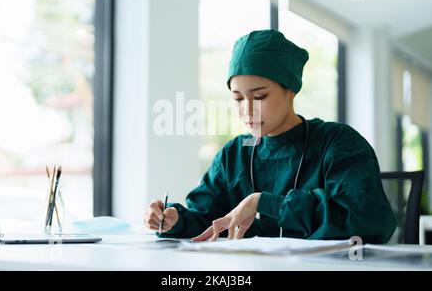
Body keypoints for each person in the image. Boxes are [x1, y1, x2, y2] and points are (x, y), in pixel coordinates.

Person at [143, 29, 396, 244]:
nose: (247, 110)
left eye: (260, 96)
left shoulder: (339, 144)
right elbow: (207, 219)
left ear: (291, 90)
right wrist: (175, 220)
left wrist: (265, 203)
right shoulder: (234, 154)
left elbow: (368, 219)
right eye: (238, 98)